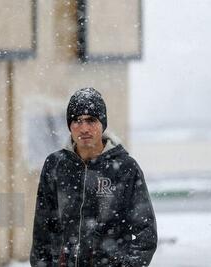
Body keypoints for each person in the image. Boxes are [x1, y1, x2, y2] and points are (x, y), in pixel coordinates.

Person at [30, 87, 157, 267]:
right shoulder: (55, 165)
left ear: (102, 124)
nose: (84, 128)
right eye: (77, 120)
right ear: (69, 126)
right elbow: (42, 231)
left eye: (91, 120)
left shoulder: (125, 168)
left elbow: (146, 233)